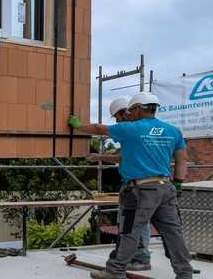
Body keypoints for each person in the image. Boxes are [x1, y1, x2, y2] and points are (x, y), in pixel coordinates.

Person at [69, 92, 192, 279]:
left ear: (138, 109)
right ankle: (185, 274)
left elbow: (98, 128)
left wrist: (78, 126)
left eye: (131, 110)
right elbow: (182, 160)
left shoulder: (131, 129)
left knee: (129, 231)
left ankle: (114, 271)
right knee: (173, 233)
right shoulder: (173, 131)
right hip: (166, 189)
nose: (129, 113)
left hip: (140, 191)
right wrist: (178, 184)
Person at [86, 96, 152, 271]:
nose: (116, 121)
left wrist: (79, 128)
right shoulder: (139, 129)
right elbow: (121, 151)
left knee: (134, 221)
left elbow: (120, 154)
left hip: (140, 184)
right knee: (128, 221)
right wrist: (103, 155)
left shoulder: (133, 129)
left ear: (125, 113)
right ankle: (127, 253)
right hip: (140, 184)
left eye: (117, 117)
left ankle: (141, 257)